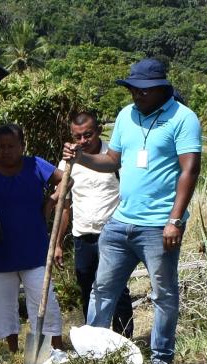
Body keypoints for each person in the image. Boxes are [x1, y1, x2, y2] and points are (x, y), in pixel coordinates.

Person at [62, 58, 201, 364]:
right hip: (121, 222)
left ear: (160, 89)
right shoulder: (126, 116)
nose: (136, 95)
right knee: (102, 289)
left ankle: (161, 359)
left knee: (162, 293)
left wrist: (175, 220)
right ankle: (94, 356)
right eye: (132, 89)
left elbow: (190, 170)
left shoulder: (183, 118)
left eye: (142, 90)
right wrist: (82, 157)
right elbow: (111, 161)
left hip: (159, 226)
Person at [0, 124, 63, 355]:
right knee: (4, 307)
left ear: (22, 147)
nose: (5, 151)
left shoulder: (35, 165)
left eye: (11, 146)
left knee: (45, 301)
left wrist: (52, 200)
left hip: (34, 249)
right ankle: (14, 352)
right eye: (1, 147)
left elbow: (66, 180)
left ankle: (54, 349)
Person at [54, 110, 132, 337]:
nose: (82, 142)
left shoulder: (114, 157)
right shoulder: (67, 163)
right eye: (77, 136)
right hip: (82, 236)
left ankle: (123, 339)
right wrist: (58, 243)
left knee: (117, 290)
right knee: (88, 289)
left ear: (98, 131)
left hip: (112, 236)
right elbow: (65, 206)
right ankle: (94, 341)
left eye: (87, 135)